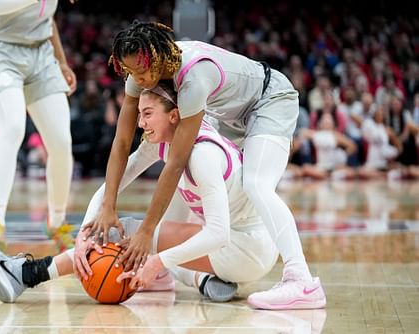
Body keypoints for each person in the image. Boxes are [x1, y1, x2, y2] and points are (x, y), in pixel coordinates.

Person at [0, 83, 296, 306]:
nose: (140, 123)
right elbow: (110, 187)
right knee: (136, 224)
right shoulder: (166, 141)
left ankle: (24, 275)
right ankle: (198, 280)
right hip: (240, 248)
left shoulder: (203, 155)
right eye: (139, 113)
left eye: (147, 114)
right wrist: (86, 234)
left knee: (126, 231)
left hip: (244, 247)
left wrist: (157, 261)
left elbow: (218, 233)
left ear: (174, 115)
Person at [87, 21, 326, 310]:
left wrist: (146, 233)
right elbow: (123, 145)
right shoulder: (141, 72)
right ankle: (170, 272)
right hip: (230, 115)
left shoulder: (194, 79)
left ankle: (300, 278)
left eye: (141, 70)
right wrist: (106, 207)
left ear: (158, 57)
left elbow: (174, 164)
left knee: (256, 183)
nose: (139, 80)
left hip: (268, 99)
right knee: (191, 170)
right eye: (130, 72)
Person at [0, 0, 77, 250]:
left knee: (61, 142)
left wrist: (61, 61)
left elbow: (46, 18)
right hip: (0, 52)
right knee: (12, 127)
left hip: (41, 55)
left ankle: (57, 221)